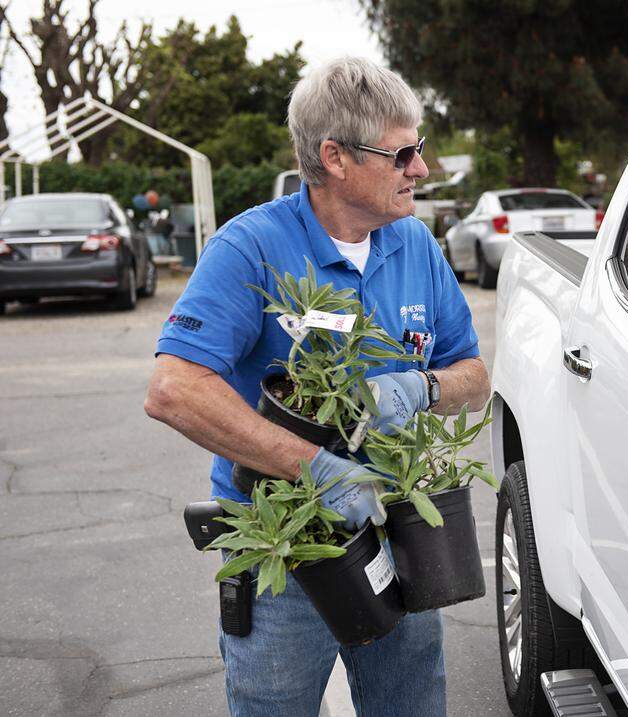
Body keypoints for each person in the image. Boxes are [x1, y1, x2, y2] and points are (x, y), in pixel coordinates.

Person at [144, 57, 490, 716]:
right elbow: (174, 388)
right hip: (286, 550)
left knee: (411, 703)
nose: (420, 168)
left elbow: (473, 378)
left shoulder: (415, 244)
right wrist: (317, 468)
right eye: (404, 153)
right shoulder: (252, 247)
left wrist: (421, 387)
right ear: (335, 157)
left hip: (398, 535)